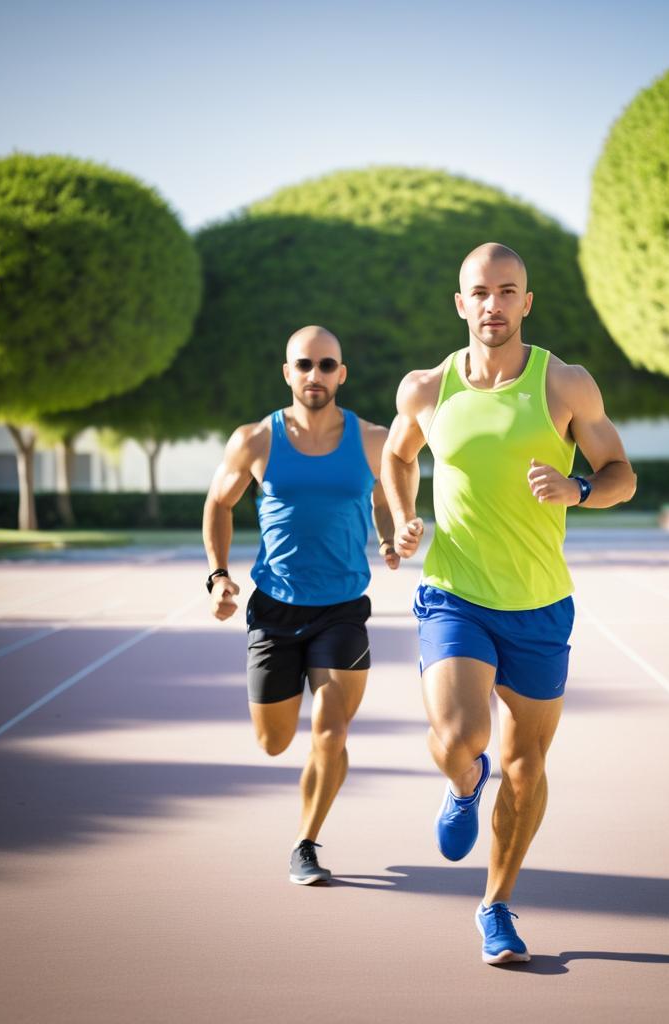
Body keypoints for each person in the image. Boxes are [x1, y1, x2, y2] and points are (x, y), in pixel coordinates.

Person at [381, 243, 637, 964]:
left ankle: (496, 906)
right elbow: (398, 457)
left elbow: (621, 474)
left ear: (527, 302)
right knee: (463, 737)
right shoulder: (426, 390)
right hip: (456, 593)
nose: (493, 304)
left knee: (527, 766)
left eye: (507, 291)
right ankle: (463, 782)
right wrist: (399, 518)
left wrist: (579, 489)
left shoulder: (565, 384)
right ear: (460, 303)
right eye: (479, 292)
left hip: (541, 604)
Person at [203, 325, 398, 885]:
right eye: (305, 365)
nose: (316, 375)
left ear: (343, 373)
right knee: (274, 741)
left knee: (331, 733)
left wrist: (388, 536)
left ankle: (306, 843)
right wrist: (218, 576)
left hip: (341, 608)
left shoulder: (372, 440)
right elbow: (218, 503)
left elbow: (386, 497)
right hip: (274, 610)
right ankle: (303, 816)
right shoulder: (255, 441)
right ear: (288, 373)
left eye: (327, 365)